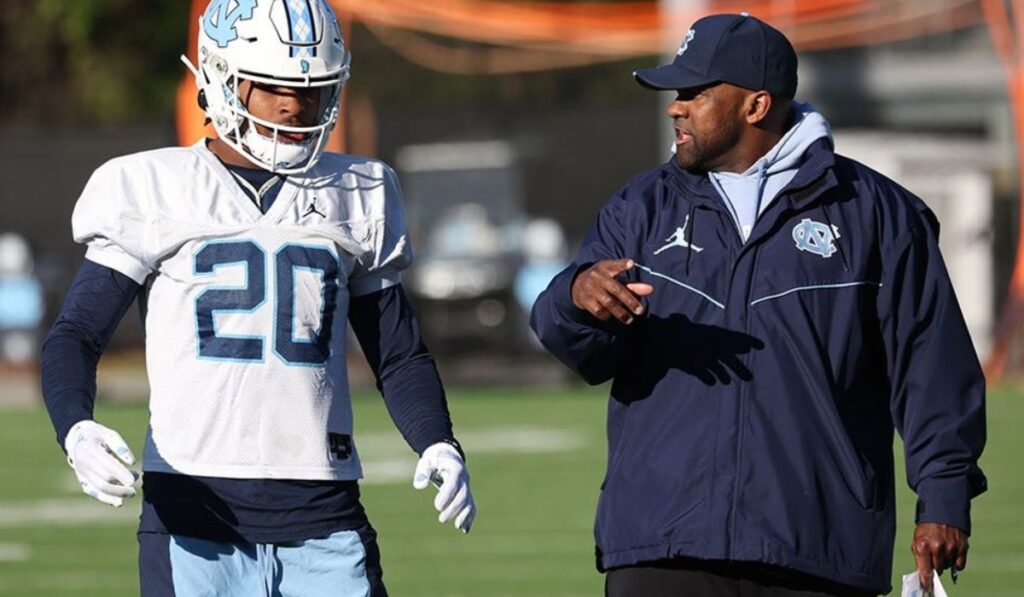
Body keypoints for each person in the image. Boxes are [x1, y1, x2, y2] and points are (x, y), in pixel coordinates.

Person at [530, 13, 986, 597]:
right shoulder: (639, 207)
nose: (676, 106)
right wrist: (575, 300)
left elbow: (932, 369)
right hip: (661, 548)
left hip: (817, 548)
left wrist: (944, 497)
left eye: (695, 92)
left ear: (755, 106)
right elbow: (582, 354)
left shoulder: (881, 215)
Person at [40, 1, 475, 595]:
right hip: (193, 511)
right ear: (222, 78)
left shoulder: (361, 191)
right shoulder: (149, 186)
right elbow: (77, 333)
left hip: (325, 510)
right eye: (272, 86)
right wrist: (76, 427)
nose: (295, 105)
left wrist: (437, 441)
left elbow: (398, 354)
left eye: (312, 88)